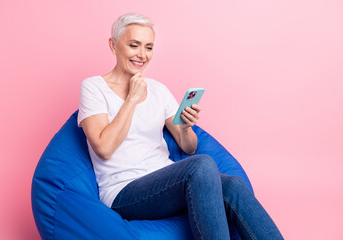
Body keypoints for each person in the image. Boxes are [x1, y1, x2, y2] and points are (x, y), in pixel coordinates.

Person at [77, 12, 284, 240]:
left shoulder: (158, 90)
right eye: (134, 45)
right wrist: (132, 100)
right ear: (113, 45)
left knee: (233, 185)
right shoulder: (94, 87)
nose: (142, 55)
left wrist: (185, 128)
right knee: (202, 166)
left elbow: (189, 148)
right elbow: (104, 148)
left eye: (149, 47)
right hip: (124, 192)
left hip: (165, 183)